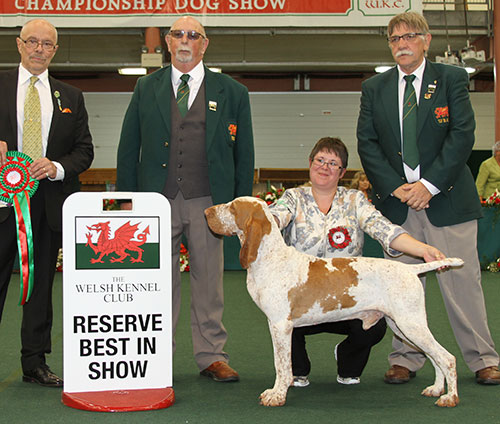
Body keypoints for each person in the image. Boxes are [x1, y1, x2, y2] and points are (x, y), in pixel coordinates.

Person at [357, 11, 500, 385]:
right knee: (400, 288)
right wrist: (395, 187)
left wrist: (429, 185)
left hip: (448, 201)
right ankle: (405, 357)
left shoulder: (451, 78)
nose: (401, 43)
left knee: (462, 283)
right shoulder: (375, 88)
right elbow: (367, 143)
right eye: (394, 38)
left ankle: (482, 358)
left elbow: (462, 134)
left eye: (409, 36)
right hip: (398, 206)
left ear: (426, 40)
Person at [116, 16, 254, 382]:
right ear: (167, 41)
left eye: (193, 35)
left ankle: (211, 355)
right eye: (178, 34)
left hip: (208, 200)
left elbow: (245, 154)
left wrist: (239, 206)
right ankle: (156, 354)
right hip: (156, 200)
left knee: (209, 281)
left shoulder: (232, 92)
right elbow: (129, 146)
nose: (185, 40)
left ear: (204, 44)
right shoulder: (146, 87)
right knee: (157, 281)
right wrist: (127, 199)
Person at [269, 137, 446, 387]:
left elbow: (385, 230)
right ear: (310, 163)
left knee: (374, 326)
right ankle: (297, 370)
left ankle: (348, 364)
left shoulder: (354, 200)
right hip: (304, 297)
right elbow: (271, 221)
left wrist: (423, 249)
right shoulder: (292, 197)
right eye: (320, 160)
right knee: (282, 314)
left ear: (342, 172)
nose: (325, 167)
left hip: (347, 296)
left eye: (333, 163)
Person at [0, 19, 94, 387]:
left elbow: (84, 151)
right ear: (19, 45)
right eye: (33, 42)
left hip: (49, 204)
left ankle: (34, 363)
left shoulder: (71, 96)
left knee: (39, 289)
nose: (39, 49)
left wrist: (56, 167)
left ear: (55, 50)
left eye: (47, 44)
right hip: (3, 202)